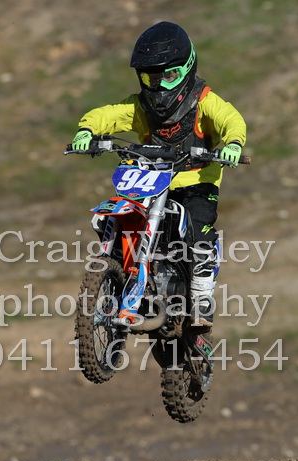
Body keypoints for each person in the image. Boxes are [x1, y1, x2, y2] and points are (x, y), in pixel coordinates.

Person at [71, 21, 246, 327]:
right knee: (115, 217)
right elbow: (108, 114)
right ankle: (119, 273)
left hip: (196, 183)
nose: (160, 86)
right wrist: (87, 130)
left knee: (199, 233)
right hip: (150, 180)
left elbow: (231, 119)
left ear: (187, 68)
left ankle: (201, 299)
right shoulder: (141, 106)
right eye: (151, 78)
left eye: (169, 76)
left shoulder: (204, 101)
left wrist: (233, 143)